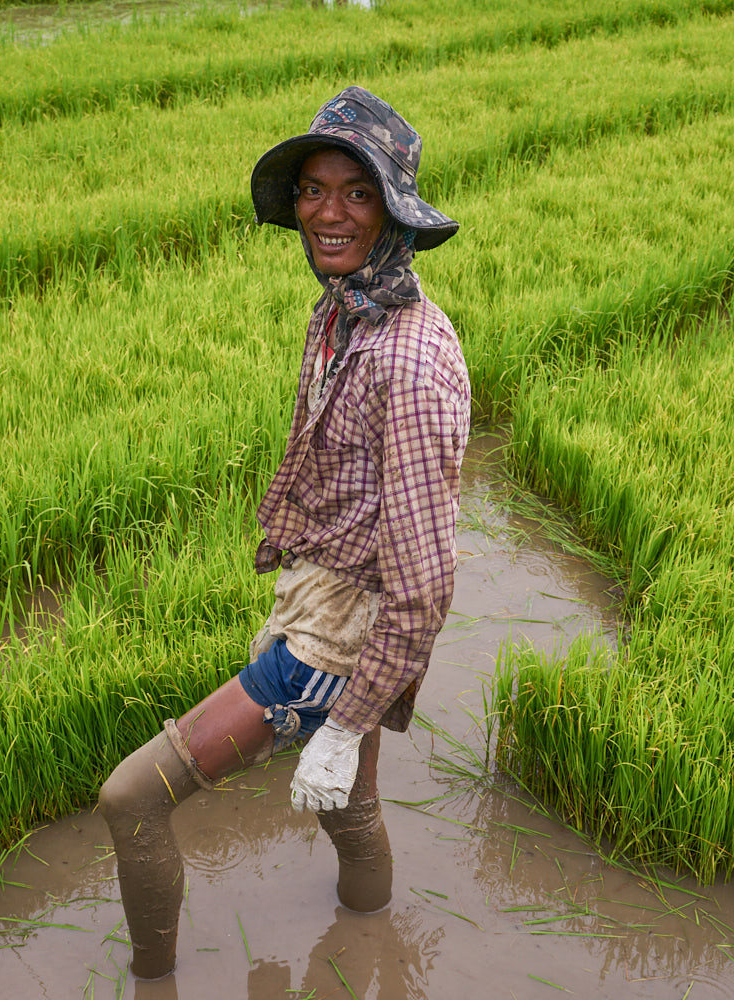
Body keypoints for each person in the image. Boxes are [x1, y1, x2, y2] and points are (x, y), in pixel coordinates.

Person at [97, 85, 469, 981]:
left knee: (130, 800)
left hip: (336, 639)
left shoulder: (410, 360)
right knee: (351, 810)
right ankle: (366, 945)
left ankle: (152, 983)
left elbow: (423, 584)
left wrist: (344, 718)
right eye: (312, 189)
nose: (327, 213)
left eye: (357, 192)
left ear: (394, 213)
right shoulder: (345, 311)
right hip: (324, 594)